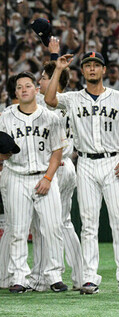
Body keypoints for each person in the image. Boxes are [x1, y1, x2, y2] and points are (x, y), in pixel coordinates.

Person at [44, 52, 119, 295]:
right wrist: (58, 69)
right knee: (88, 223)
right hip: (85, 162)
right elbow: (50, 99)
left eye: (97, 65)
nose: (92, 69)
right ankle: (89, 277)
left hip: (114, 162)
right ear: (83, 71)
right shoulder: (73, 98)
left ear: (104, 70)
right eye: (88, 66)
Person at [0, 73, 66, 293]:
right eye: (19, 87)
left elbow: (57, 152)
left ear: (36, 90)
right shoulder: (5, 117)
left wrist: (48, 178)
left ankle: (54, 275)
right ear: (16, 93)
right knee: (17, 230)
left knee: (53, 228)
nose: (24, 89)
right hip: (16, 176)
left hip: (44, 176)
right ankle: (19, 276)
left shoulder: (51, 117)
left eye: (28, 86)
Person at [28, 60, 83, 292]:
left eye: (43, 78)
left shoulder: (44, 101)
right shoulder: (72, 101)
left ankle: (45, 276)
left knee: (45, 224)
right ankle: (81, 275)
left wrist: (55, 65)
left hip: (53, 168)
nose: (39, 82)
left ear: (53, 80)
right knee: (64, 223)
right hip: (68, 165)